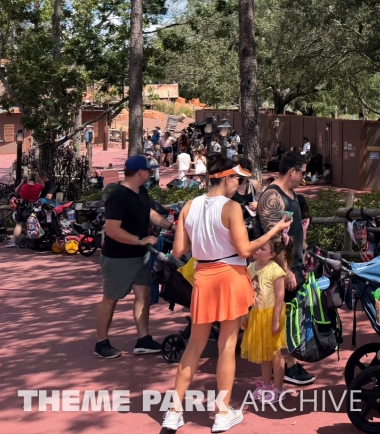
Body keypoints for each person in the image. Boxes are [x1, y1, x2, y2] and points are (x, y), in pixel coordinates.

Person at [159, 156, 291, 433]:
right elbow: (245, 251)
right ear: (228, 178)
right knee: (227, 347)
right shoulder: (231, 207)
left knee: (193, 347)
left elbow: (177, 251)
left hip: (204, 278)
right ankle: (222, 413)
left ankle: (173, 411)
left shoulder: (189, 206)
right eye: (238, 180)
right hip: (230, 277)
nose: (239, 186)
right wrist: (276, 230)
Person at [94, 155, 174, 359]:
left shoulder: (142, 192)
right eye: (148, 170)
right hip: (118, 258)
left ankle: (143, 339)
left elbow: (148, 214)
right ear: (140, 172)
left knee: (143, 295)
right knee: (111, 299)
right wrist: (141, 240)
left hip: (140, 256)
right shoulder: (118, 196)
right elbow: (112, 230)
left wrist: (171, 226)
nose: (150, 173)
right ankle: (101, 343)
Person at [256, 152, 316, 387]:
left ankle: (287, 361)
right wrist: (286, 270)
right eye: (302, 172)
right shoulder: (272, 197)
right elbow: (275, 240)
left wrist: (305, 252)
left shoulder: (291, 194)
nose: (303, 176)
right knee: (278, 317)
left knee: (289, 317)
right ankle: (287, 365)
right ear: (292, 171)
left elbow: (294, 233)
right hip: (278, 269)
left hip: (295, 264)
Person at [241, 234, 290, 399]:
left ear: (272, 254)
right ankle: (266, 384)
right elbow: (247, 294)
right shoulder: (250, 268)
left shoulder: (275, 270)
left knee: (275, 352)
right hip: (257, 314)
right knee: (264, 353)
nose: (257, 249)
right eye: (258, 245)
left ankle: (278, 387)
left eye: (263, 248)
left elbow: (280, 297)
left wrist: (276, 319)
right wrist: (244, 314)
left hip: (271, 313)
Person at [5, 173, 46, 247]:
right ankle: (33, 240)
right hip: (34, 207)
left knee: (19, 224)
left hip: (23, 207)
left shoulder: (23, 186)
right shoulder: (38, 187)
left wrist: (21, 182)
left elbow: (16, 190)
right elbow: (43, 185)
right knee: (34, 222)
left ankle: (13, 241)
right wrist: (38, 179)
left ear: (27, 179)